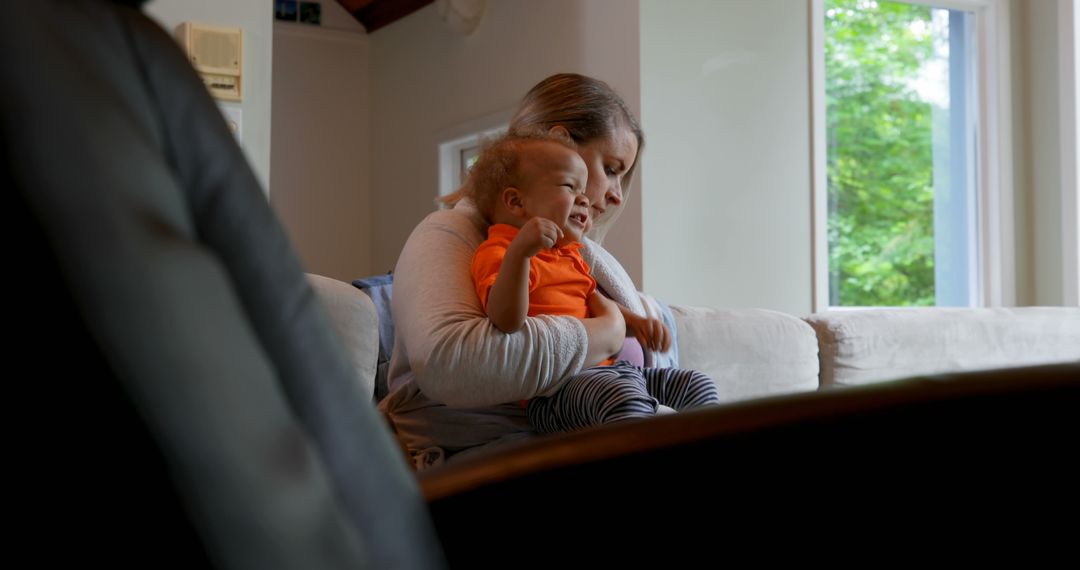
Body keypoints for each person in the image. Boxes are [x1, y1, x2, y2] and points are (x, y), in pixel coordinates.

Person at [382, 73, 695, 469]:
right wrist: (608, 331)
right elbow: (452, 364)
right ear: (562, 143)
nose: (617, 194)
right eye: (612, 168)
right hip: (512, 452)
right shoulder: (452, 234)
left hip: (609, 423)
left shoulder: (583, 254)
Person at [459, 131, 719, 433]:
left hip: (613, 374)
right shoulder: (500, 250)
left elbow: (594, 301)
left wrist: (637, 323)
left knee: (697, 385)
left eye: (583, 190)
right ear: (516, 202)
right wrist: (520, 253)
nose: (585, 199)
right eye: (570, 187)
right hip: (557, 393)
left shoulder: (569, 254)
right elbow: (504, 319)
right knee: (625, 402)